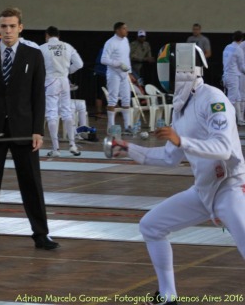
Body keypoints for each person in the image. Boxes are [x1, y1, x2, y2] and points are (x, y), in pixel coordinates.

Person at [107, 43, 245, 305]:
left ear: (184, 69)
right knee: (151, 226)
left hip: (230, 187)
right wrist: (128, 150)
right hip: (204, 190)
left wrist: (181, 141)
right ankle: (168, 295)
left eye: (166, 68)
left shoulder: (213, 100)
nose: (163, 74)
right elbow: (170, 158)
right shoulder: (180, 107)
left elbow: (223, 148)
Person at [0, 7, 59, 251]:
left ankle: (40, 234)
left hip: (24, 129)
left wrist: (38, 130)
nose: (7, 31)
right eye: (3, 26)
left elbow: (38, 96)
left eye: (12, 26)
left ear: (20, 28)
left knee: (31, 183)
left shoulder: (33, 55)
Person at [40, 26, 83, 157]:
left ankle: (56, 149)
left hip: (50, 81)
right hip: (64, 81)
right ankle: (72, 145)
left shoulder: (42, 48)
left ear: (47, 35)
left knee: (52, 114)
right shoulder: (67, 46)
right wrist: (67, 71)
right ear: (58, 36)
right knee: (67, 112)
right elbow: (79, 64)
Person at [101, 22, 132, 132]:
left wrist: (129, 72)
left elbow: (126, 58)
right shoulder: (110, 42)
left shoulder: (125, 40)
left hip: (125, 74)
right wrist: (118, 64)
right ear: (117, 30)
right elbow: (103, 59)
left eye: (126, 28)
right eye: (124, 28)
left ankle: (127, 126)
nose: (126, 30)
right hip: (114, 74)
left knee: (126, 100)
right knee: (113, 99)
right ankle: (111, 126)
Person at [221, 31, 245, 125]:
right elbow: (242, 66)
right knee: (232, 99)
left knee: (238, 98)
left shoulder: (228, 47)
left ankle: (239, 119)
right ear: (242, 39)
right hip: (233, 76)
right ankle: (228, 119)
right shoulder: (238, 49)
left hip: (226, 75)